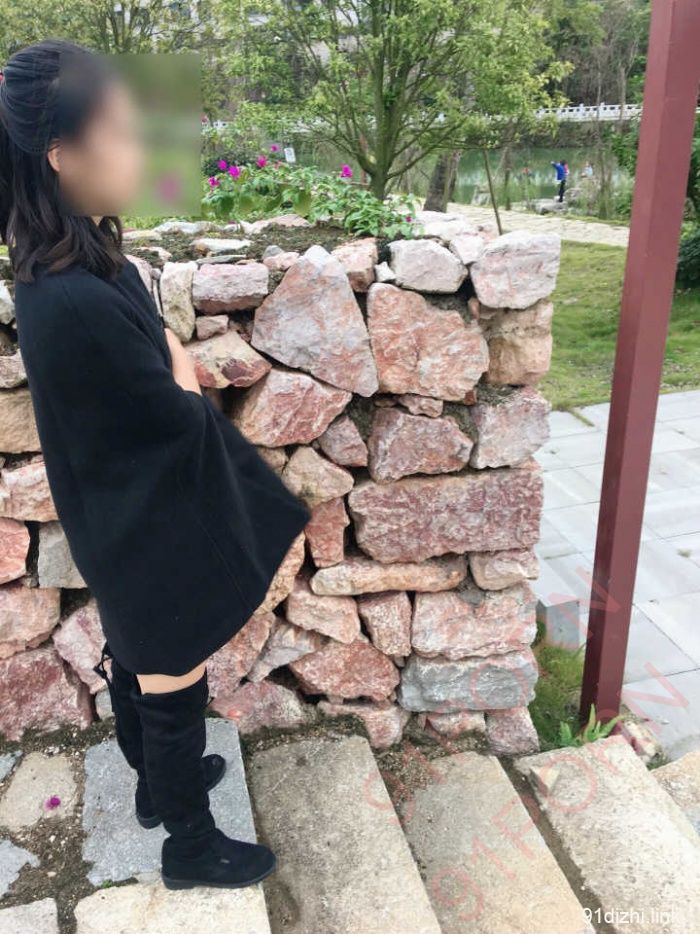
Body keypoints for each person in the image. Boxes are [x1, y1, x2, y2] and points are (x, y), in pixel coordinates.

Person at [0, 40, 312, 891]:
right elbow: (172, 409)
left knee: (148, 654)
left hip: (123, 511)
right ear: (61, 155)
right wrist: (178, 370)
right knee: (173, 674)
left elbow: (156, 351)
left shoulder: (75, 257)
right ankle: (190, 843)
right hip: (140, 520)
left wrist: (170, 358)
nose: (141, 150)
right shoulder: (68, 295)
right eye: (123, 133)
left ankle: (153, 783)